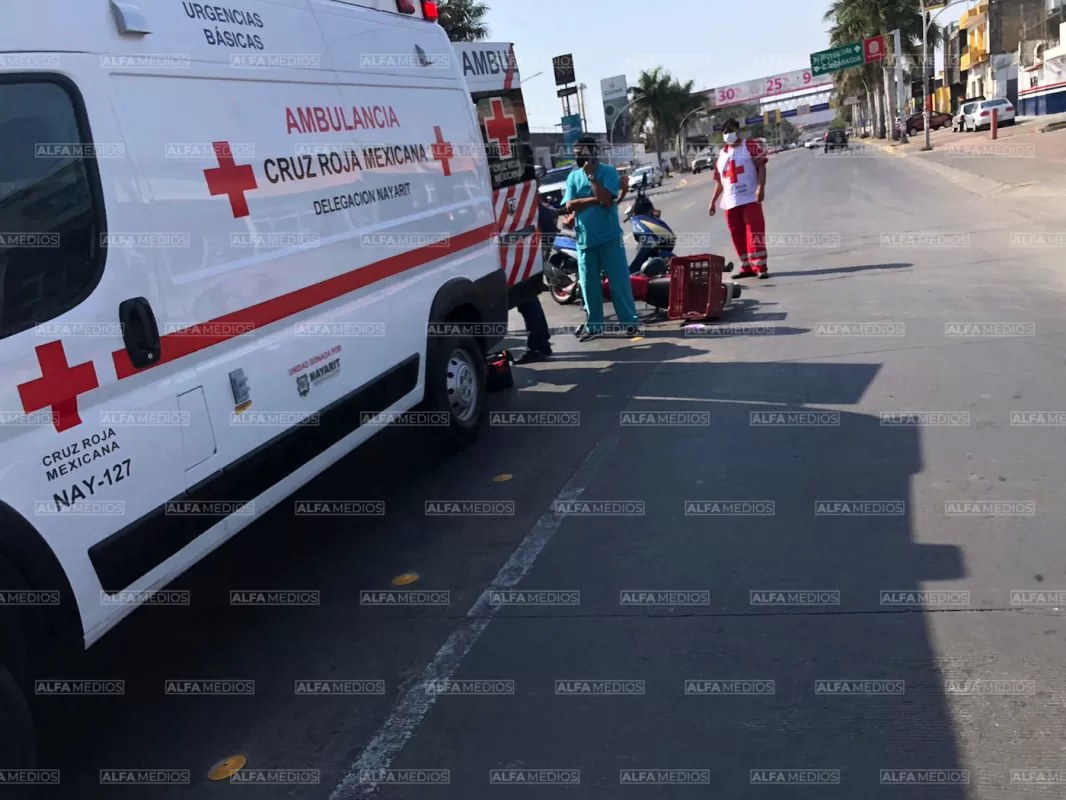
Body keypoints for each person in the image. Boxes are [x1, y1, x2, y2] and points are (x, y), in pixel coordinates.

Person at [561, 136, 641, 340]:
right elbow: (570, 205)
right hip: (585, 241)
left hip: (609, 238)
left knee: (619, 283)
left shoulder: (608, 172)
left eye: (581, 153)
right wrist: (594, 200)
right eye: (576, 154)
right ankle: (594, 327)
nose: (578, 157)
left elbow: (606, 200)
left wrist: (592, 179)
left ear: (592, 153)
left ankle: (630, 323)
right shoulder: (572, 177)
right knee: (589, 286)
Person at [708, 117, 769, 279]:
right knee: (737, 235)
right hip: (730, 203)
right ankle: (746, 266)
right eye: (725, 132)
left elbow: (761, 166)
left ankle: (760, 266)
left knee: (754, 233)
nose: (728, 134)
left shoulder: (749, 146)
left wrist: (760, 187)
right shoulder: (722, 155)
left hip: (750, 199)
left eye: (731, 131)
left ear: (738, 131)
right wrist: (713, 201)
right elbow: (720, 181)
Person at [514, 178, 555, 364]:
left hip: (523, 253)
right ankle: (541, 344)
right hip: (526, 251)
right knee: (527, 299)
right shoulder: (524, 199)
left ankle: (539, 345)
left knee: (526, 299)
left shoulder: (523, 201)